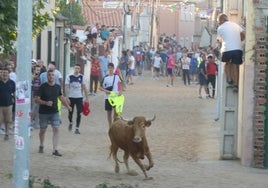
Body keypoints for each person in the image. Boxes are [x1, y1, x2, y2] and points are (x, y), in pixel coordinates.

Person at [36, 69, 72, 156]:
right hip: (43, 112)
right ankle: (41, 145)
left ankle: (55, 149)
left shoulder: (57, 87)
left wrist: (67, 106)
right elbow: (36, 100)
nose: (51, 76)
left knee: (56, 129)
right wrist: (45, 103)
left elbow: (61, 97)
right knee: (43, 130)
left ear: (54, 76)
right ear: (47, 76)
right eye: (49, 75)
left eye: (52, 75)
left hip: (54, 112)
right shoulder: (42, 87)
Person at [217, 13, 245, 92]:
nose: (218, 23)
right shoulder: (235, 25)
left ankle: (229, 79)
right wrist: (240, 39)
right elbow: (243, 33)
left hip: (227, 49)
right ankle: (236, 84)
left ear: (222, 20)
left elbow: (219, 40)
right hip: (237, 49)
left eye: (218, 22)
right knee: (236, 66)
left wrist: (223, 39)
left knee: (227, 63)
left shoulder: (220, 28)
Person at [65, 64, 89, 134]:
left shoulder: (82, 77)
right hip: (71, 97)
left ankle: (77, 128)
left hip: (79, 97)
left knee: (79, 113)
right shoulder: (69, 76)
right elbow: (66, 87)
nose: (77, 70)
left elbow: (84, 87)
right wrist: (67, 97)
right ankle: (71, 122)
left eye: (78, 68)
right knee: (70, 112)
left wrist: (87, 98)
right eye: (75, 68)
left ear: (80, 69)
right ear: (73, 69)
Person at [99, 63, 122, 128]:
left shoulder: (117, 76)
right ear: (108, 68)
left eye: (111, 68)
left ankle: (114, 124)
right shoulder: (105, 78)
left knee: (116, 112)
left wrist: (120, 91)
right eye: (109, 68)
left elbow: (121, 83)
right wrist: (106, 91)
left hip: (115, 96)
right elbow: (100, 87)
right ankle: (110, 126)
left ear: (113, 68)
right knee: (109, 113)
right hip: (108, 97)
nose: (110, 69)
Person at [0, 67, 16, 140]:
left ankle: (7, 134)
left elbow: (14, 93)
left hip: (9, 105)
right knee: (0, 120)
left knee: (8, 120)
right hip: (0, 105)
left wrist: (16, 101)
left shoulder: (12, 83)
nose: (4, 74)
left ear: (8, 74)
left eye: (6, 73)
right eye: (3, 73)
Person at [31, 65, 42, 129]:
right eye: (37, 70)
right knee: (32, 110)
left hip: (38, 95)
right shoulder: (31, 77)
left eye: (39, 70)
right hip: (33, 95)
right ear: (34, 70)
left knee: (37, 110)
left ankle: (36, 124)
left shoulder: (39, 78)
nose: (38, 71)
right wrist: (33, 77)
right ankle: (30, 123)